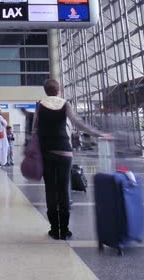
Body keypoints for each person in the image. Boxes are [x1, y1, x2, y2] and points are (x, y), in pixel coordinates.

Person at [33, 78, 107, 240]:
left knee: (50, 190)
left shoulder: (40, 106)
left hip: (47, 153)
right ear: (59, 90)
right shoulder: (65, 104)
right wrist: (99, 134)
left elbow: (34, 130)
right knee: (63, 190)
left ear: (46, 91)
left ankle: (54, 229)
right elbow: (78, 123)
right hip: (64, 153)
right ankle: (65, 230)